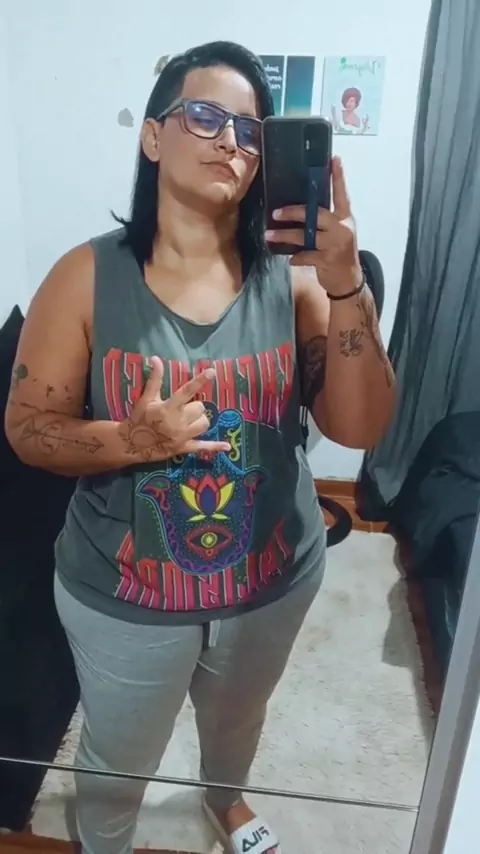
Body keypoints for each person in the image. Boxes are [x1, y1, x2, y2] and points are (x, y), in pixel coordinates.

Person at [5, 40, 396, 854]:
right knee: (117, 763)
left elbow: (361, 429)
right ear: (154, 136)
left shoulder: (293, 280)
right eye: (207, 117)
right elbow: (27, 429)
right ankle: (107, 840)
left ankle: (226, 801)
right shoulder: (84, 278)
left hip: (271, 581)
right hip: (125, 596)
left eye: (251, 131)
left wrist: (346, 282)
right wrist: (126, 440)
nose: (232, 143)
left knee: (237, 724)